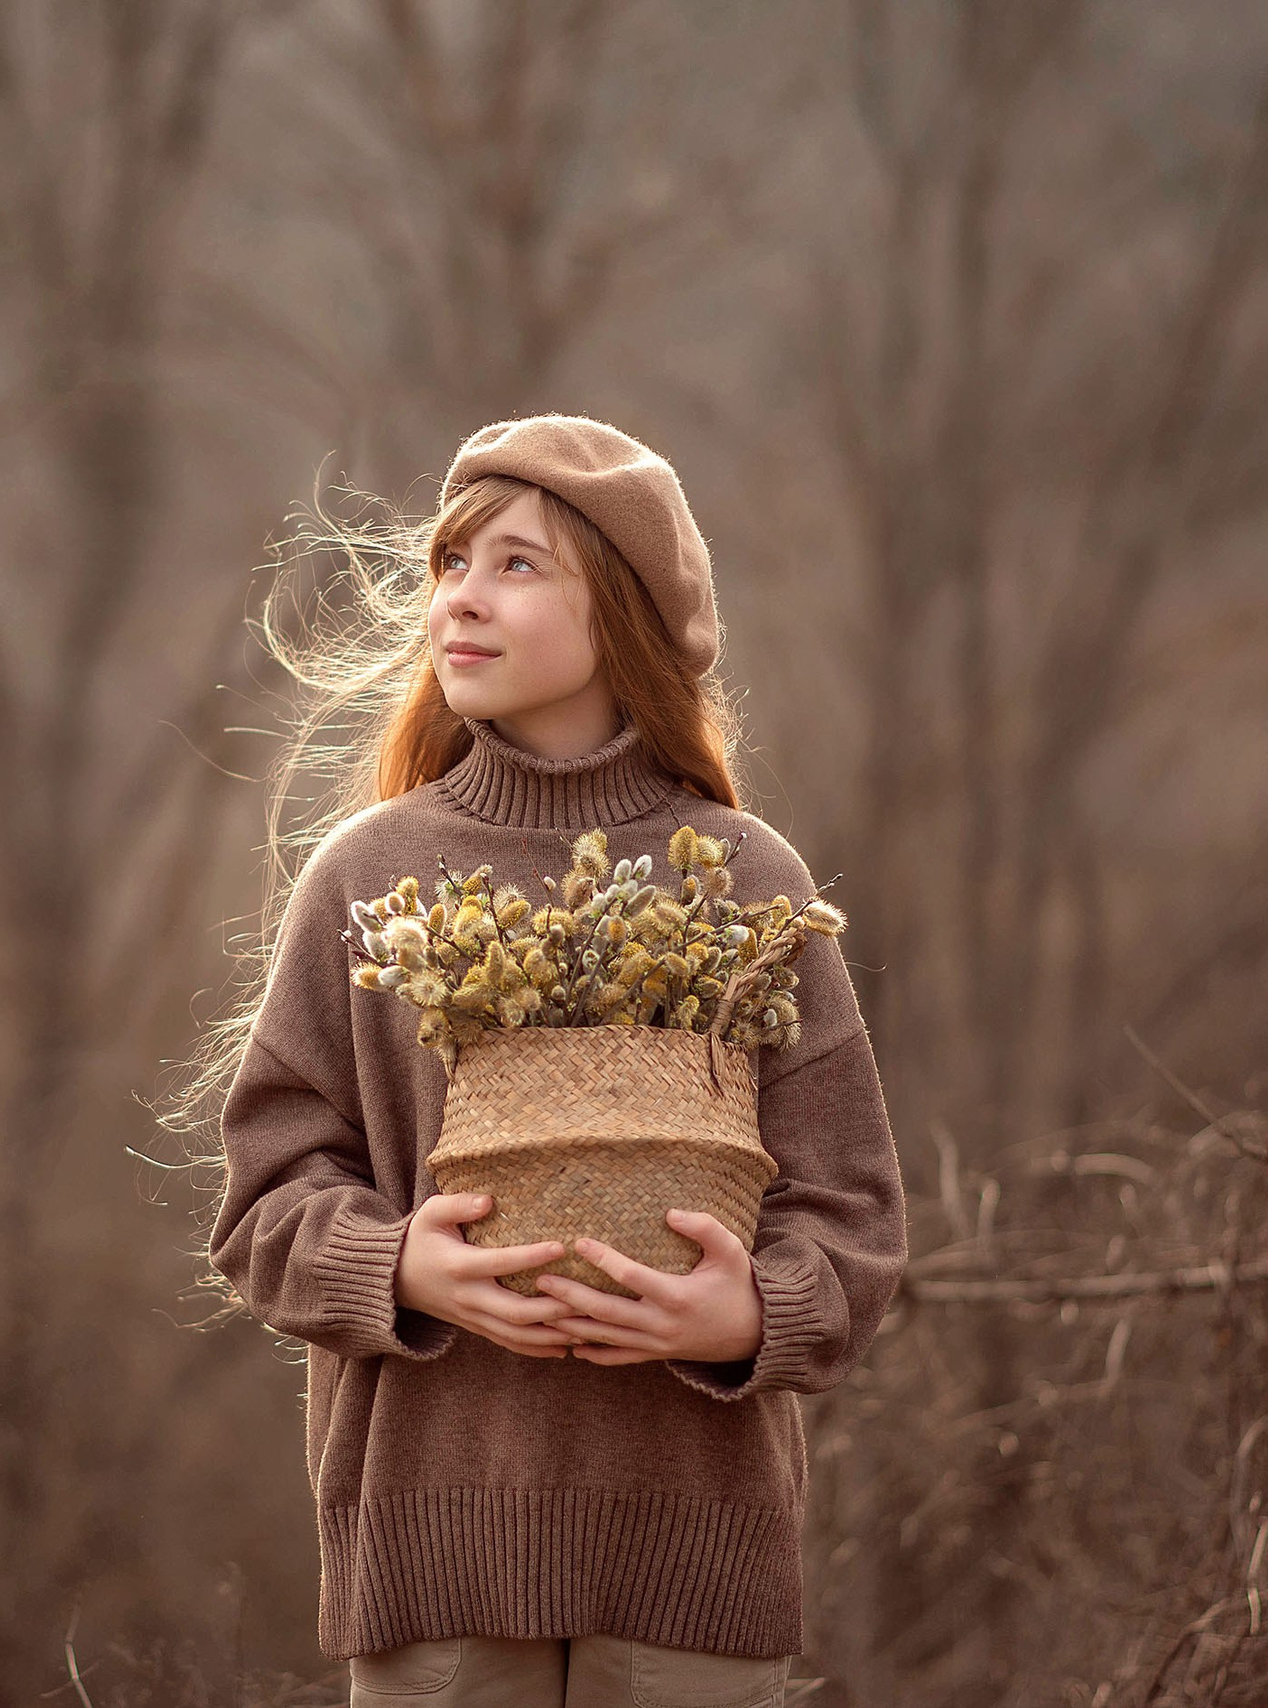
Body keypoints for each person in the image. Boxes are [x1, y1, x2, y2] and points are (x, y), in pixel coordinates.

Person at [197, 414, 907, 1708]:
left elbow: (853, 1220)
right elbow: (261, 1204)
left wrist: (747, 1314)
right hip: (439, 1557)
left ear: (621, 617)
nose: (460, 599)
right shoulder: (365, 878)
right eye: (450, 563)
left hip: (697, 1555)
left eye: (515, 565)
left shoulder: (752, 885)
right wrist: (401, 1265)